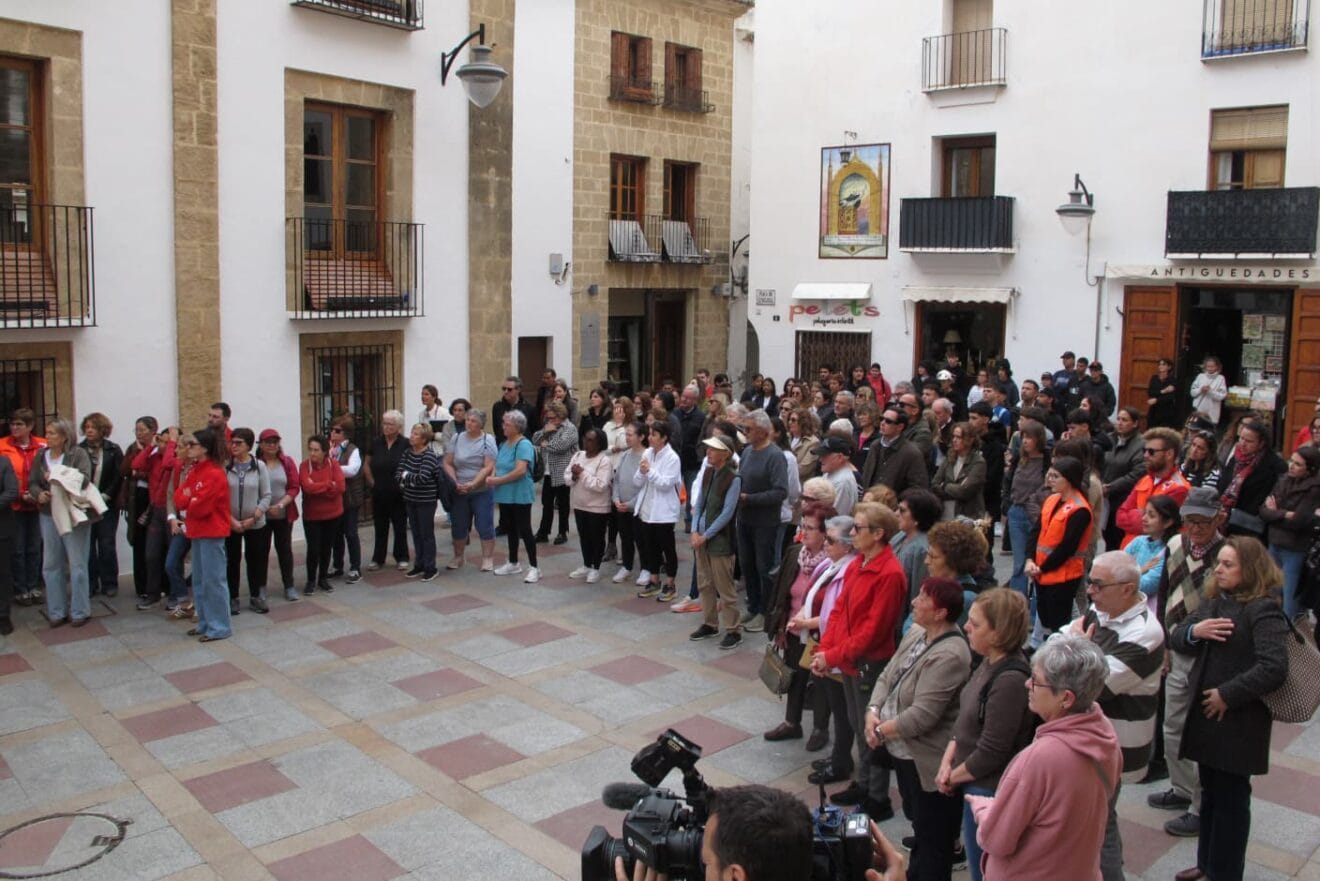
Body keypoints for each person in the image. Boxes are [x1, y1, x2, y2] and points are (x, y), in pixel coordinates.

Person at [1167, 537, 1289, 881]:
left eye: (1227, 565)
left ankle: (1225, 873)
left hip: (1239, 722)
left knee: (1232, 802)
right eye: (1218, 563)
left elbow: (1273, 667)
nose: (1217, 569)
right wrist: (1195, 631)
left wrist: (1228, 694)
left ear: (1249, 569)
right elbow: (1177, 636)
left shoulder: (1263, 609)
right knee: (1210, 795)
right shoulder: (1216, 600)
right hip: (1208, 718)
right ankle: (1207, 864)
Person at [966, 636, 1122, 881]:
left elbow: (996, 840)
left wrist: (984, 809)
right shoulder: (1105, 734)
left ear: (1066, 698)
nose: (1027, 684)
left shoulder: (1039, 759)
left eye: (1037, 681)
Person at [865, 577, 972, 881]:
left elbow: (923, 716)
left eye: (923, 598)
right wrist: (872, 712)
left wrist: (880, 732)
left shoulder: (951, 653)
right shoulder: (916, 632)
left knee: (934, 837)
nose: (914, 602)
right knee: (917, 816)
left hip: (927, 758)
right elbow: (888, 675)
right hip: (903, 751)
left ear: (940, 612)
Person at [1069, 551, 1166, 881]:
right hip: (1089, 737)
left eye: (1097, 584)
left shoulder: (1144, 634)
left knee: (1101, 826)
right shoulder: (1102, 609)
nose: (1090, 592)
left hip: (1116, 747)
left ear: (1127, 589)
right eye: (1090, 582)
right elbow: (1060, 638)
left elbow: (1093, 686)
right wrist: (1075, 651)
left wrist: (1078, 651)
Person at [810, 502, 906, 821]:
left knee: (871, 730)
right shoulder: (859, 563)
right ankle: (864, 784)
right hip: (851, 659)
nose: (852, 534)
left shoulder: (890, 573)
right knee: (856, 722)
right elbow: (838, 612)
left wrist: (833, 655)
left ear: (879, 534)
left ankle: (876, 796)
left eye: (858, 528)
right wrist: (825, 650)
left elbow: (873, 632)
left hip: (870, 662)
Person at [936, 589, 1034, 881]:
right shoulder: (988, 661)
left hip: (987, 790)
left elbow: (992, 750)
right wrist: (948, 760)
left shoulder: (1010, 681)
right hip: (970, 780)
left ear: (998, 632)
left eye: (976, 624)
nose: (966, 626)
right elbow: (966, 720)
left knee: (985, 870)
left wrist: (950, 776)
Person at [1148, 486, 1226, 838]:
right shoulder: (1175, 545)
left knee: (1200, 731)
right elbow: (1164, 591)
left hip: (1209, 653)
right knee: (1173, 723)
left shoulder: (1227, 555)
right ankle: (1181, 788)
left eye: (1202, 522)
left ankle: (1199, 803)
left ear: (1218, 518)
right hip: (1176, 645)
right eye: (1189, 521)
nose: (1195, 528)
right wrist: (1164, 641)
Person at [764, 501, 838, 748]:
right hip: (794, 628)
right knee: (794, 676)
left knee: (819, 682)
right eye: (803, 526)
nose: (803, 532)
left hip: (818, 632)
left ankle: (820, 729)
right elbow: (781, 592)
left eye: (811, 528)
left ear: (826, 533)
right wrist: (779, 625)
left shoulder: (833, 565)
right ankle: (791, 723)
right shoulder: (795, 553)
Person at [28, 418, 96, 628]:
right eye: (47, 432)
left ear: (64, 436)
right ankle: (56, 611)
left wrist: (57, 476)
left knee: (77, 564)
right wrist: (39, 494)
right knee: (50, 564)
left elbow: (84, 479)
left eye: (52, 433)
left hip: (73, 513)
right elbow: (32, 483)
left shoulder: (78, 454)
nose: (47, 436)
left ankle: (79, 611)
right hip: (48, 514)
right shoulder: (40, 455)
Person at [1024, 456, 1094, 634]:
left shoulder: (1080, 510)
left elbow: (1067, 548)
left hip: (1062, 575)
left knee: (1059, 624)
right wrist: (1029, 559)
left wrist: (1042, 568)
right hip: (1041, 571)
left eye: (1056, 476)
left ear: (1069, 480)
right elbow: (1036, 531)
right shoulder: (1052, 500)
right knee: (1045, 619)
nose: (1050, 480)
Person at [173, 428, 231, 641]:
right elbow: (180, 499)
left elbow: (201, 508)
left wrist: (191, 499)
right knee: (199, 580)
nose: (188, 449)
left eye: (192, 445)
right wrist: (190, 498)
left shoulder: (214, 473)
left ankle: (219, 626)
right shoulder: (195, 471)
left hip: (211, 531)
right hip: (197, 531)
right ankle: (205, 622)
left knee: (213, 580)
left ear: (204, 448)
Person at [687, 435, 743, 649]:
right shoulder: (709, 472)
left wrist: (705, 535)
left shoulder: (734, 478)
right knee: (705, 583)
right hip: (700, 538)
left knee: (725, 587)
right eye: (708, 449)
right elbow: (699, 503)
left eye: (713, 449)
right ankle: (710, 623)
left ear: (726, 454)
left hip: (719, 540)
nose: (708, 452)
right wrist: (693, 530)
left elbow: (727, 513)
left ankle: (733, 629)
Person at [1259, 445, 1320, 620]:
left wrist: (1276, 512)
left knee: (1289, 600)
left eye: (1298, 464)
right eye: (1291, 461)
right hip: (1274, 543)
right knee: (1269, 594)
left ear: (1310, 469)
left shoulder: (1314, 489)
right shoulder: (1284, 480)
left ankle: (1291, 640)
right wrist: (1284, 513)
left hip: (1294, 549)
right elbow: (1263, 511)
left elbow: (1299, 521)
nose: (1292, 466)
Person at [1113, 427, 1192, 548]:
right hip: (1129, 550)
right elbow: (1120, 517)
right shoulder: (1145, 480)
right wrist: (1145, 517)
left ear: (1169, 454)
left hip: (1153, 554)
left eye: (1151, 451)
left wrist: (1135, 515)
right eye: (1144, 450)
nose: (1145, 455)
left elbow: (1159, 527)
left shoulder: (1179, 488)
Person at [0, 409, 46, 608]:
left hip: (38, 504)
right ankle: (21, 589)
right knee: (17, 549)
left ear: (30, 426)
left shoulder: (42, 445)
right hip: (14, 505)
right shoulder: (2, 446)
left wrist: (36, 494)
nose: (15, 428)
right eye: (12, 424)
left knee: (35, 547)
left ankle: (34, 585)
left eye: (19, 424)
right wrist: (19, 494)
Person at [442, 407, 497, 572]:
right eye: (467, 420)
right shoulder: (457, 438)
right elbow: (447, 462)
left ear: (481, 425)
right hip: (459, 490)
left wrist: (473, 484)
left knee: (484, 524)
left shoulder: (488, 440)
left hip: (481, 490)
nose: (469, 423)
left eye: (473, 421)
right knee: (458, 524)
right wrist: (455, 482)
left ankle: (487, 558)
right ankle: (458, 557)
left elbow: (488, 466)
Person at [224, 428, 272, 614]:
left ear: (249, 446)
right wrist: (231, 520)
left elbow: (267, 495)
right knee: (232, 560)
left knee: (256, 560)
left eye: (239, 443)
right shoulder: (227, 466)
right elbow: (220, 497)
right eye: (232, 442)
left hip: (255, 523)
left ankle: (255, 596)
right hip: (232, 523)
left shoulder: (259, 466)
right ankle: (232, 597)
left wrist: (255, 516)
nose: (234, 446)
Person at [634, 421, 683, 601]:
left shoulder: (672, 458)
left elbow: (665, 484)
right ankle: (653, 580)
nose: (650, 437)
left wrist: (649, 472)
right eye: (650, 434)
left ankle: (670, 584)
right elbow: (637, 481)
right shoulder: (647, 453)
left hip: (664, 511)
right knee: (650, 547)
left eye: (654, 434)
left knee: (667, 548)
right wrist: (641, 471)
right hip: (647, 509)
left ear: (664, 438)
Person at [1215, 417, 1286, 540]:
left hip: (1250, 527)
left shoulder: (1274, 465)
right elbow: (1223, 484)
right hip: (1225, 521)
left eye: (1249, 441)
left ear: (1261, 443)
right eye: (1241, 438)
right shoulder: (1236, 457)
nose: (1243, 443)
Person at [489, 410, 539, 583]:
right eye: (504, 423)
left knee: (524, 529)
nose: (503, 426)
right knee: (510, 528)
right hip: (505, 493)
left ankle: (534, 567)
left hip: (520, 492)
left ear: (517, 427)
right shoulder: (504, 443)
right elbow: (497, 463)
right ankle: (513, 562)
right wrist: (494, 477)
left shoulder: (523, 444)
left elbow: (520, 470)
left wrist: (497, 480)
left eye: (507, 424)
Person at [78, 413, 123, 598]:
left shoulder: (113, 449)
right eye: (87, 427)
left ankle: (109, 582)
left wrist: (107, 494)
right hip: (85, 504)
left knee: (106, 544)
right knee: (87, 545)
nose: (89, 430)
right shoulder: (78, 450)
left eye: (93, 427)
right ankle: (90, 583)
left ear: (102, 430)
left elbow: (119, 475)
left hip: (107, 505)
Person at [1004, 423, 1051, 594]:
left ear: (1038, 439)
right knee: (1019, 563)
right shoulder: (1019, 459)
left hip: (1036, 514)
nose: (1025, 441)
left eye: (1029, 437)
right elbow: (1008, 481)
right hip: (1016, 511)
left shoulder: (1047, 460)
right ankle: (1018, 603)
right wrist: (1007, 503)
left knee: (1037, 561)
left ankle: (1035, 606)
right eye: (1023, 437)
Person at [256, 428, 302, 602]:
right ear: (261, 445)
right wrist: (262, 507)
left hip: (283, 515)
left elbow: (294, 487)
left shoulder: (287, 462)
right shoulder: (256, 463)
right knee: (261, 551)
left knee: (285, 550)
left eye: (275, 442)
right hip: (262, 516)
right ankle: (260, 587)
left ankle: (289, 585)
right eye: (268, 442)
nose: (272, 445)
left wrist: (281, 504)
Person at [395, 423, 443, 582]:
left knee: (426, 533)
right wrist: (408, 477)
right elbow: (398, 474)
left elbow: (422, 478)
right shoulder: (408, 453)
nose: (411, 436)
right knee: (415, 532)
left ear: (423, 439)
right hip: (410, 498)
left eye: (415, 434)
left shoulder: (429, 455)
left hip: (426, 500)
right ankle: (419, 563)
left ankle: (431, 567)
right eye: (412, 432)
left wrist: (406, 477)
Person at [566, 427, 614, 583]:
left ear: (600, 443)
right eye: (585, 438)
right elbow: (566, 477)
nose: (585, 442)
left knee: (597, 537)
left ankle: (596, 567)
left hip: (597, 507)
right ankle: (586, 564)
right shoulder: (578, 455)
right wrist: (573, 476)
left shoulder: (604, 460)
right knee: (584, 536)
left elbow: (600, 485)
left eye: (590, 440)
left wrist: (582, 474)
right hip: (579, 504)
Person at [365, 410, 410, 572]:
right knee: (380, 526)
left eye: (390, 424)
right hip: (379, 492)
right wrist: (372, 483)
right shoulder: (376, 442)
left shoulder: (406, 444)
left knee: (399, 525)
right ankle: (378, 558)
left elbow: (411, 465)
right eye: (384, 423)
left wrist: (404, 483)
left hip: (399, 493)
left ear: (398, 427)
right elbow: (366, 464)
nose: (386, 427)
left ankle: (402, 556)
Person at [300, 434, 345, 592]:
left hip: (332, 514)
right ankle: (311, 580)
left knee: (327, 547)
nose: (312, 453)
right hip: (312, 516)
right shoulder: (305, 466)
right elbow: (307, 488)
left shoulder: (334, 465)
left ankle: (323, 578)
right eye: (310, 450)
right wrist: (328, 484)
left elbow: (340, 487)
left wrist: (319, 486)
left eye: (316, 450)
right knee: (313, 548)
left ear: (325, 451)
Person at [1100, 407, 1147, 550]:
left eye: (1125, 420)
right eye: (1118, 419)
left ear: (1135, 423)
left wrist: (1111, 487)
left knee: (1117, 538)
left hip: (1122, 499)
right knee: (1106, 535)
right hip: (1104, 497)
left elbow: (1136, 474)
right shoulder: (1109, 439)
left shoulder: (1140, 445)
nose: (1120, 423)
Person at [120, 416, 156, 600]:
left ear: (153, 431)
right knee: (138, 542)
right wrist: (139, 472)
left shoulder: (157, 449)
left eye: (142, 430)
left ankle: (154, 583)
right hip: (136, 499)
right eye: (137, 430)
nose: (139, 434)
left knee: (154, 544)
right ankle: (141, 586)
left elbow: (154, 473)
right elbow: (126, 470)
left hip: (152, 498)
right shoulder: (132, 449)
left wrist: (139, 473)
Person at [532, 401, 578, 545]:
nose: (550, 420)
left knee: (563, 504)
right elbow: (535, 439)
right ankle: (543, 532)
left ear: (560, 415)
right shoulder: (549, 426)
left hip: (563, 471)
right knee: (546, 504)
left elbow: (560, 446)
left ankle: (562, 532)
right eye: (548, 418)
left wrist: (546, 442)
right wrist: (546, 432)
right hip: (548, 472)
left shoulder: (570, 428)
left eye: (553, 418)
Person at [1125, 495, 1182, 611]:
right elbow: (1115, 567)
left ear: (1167, 522)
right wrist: (1141, 570)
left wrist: (1126, 576)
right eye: (1144, 513)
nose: (1144, 518)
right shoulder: (1138, 541)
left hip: (1149, 610)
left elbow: (1147, 585)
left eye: (1151, 516)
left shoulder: (1170, 549)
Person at [328, 417, 365, 583]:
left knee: (350, 533)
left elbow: (353, 470)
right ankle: (337, 565)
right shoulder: (330, 449)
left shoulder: (353, 449)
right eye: (332, 430)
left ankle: (355, 567)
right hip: (335, 498)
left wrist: (333, 468)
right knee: (336, 534)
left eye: (337, 431)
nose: (333, 433)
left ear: (346, 433)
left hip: (349, 498)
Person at [861, 407, 929, 495]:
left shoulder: (911, 453)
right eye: (882, 419)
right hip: (870, 501)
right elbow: (866, 476)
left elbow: (918, 486)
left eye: (888, 421)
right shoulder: (875, 445)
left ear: (900, 427)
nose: (882, 423)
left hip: (893, 505)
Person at [891, 489, 940, 610]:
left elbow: (917, 592)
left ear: (918, 517)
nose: (896, 513)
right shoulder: (900, 536)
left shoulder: (922, 549)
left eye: (902, 510)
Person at [611, 420, 645, 584]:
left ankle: (646, 568)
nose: (627, 437)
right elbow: (617, 480)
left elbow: (646, 487)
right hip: (621, 506)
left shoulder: (646, 456)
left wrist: (631, 504)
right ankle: (627, 566)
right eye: (626, 434)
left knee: (641, 538)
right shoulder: (625, 455)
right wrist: (616, 499)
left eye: (630, 434)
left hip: (638, 507)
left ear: (641, 437)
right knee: (625, 538)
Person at [931, 422, 986, 522]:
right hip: (945, 512)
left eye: (959, 437)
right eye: (953, 436)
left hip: (968, 516)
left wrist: (945, 486)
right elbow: (935, 484)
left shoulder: (978, 462)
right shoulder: (949, 458)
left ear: (970, 440)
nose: (954, 440)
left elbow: (965, 492)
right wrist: (957, 487)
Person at [492, 375, 538, 444]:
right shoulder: (497, 406)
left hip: (521, 446)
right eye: (504, 389)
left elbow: (534, 430)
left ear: (518, 390)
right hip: (503, 445)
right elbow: (496, 428)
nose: (506, 392)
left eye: (509, 389)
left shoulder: (529, 408)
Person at [1190, 356, 1229, 426]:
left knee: (1209, 431)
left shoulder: (1220, 378)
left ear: (1217, 367)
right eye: (1208, 366)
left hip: (1213, 412)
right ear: (1205, 367)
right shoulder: (1200, 376)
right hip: (1199, 410)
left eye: (1212, 366)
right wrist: (1200, 390)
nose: (1210, 368)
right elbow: (1192, 393)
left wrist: (1210, 391)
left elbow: (1222, 396)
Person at [0, 454, 14, 633]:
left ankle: (3, 615)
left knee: (3, 573)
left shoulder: (3, 462)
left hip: (1, 528)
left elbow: (12, 491)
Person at [1147, 359, 1180, 429]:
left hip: (1167, 411)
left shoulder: (1172, 380)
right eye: (1160, 364)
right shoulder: (1154, 378)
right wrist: (1163, 391)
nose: (1161, 366)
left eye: (1163, 364)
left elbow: (1170, 397)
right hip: (1154, 410)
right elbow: (1151, 392)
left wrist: (1156, 400)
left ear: (1169, 367)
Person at [418, 384, 447, 454]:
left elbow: (450, 435)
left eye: (426, 394)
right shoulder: (421, 414)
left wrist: (434, 436)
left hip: (441, 453)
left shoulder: (444, 413)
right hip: (426, 453)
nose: (423, 397)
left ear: (434, 397)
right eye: (422, 394)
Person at [853, 402, 883, 471]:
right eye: (859, 414)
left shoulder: (879, 437)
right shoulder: (854, 434)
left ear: (873, 415)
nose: (860, 417)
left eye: (864, 414)